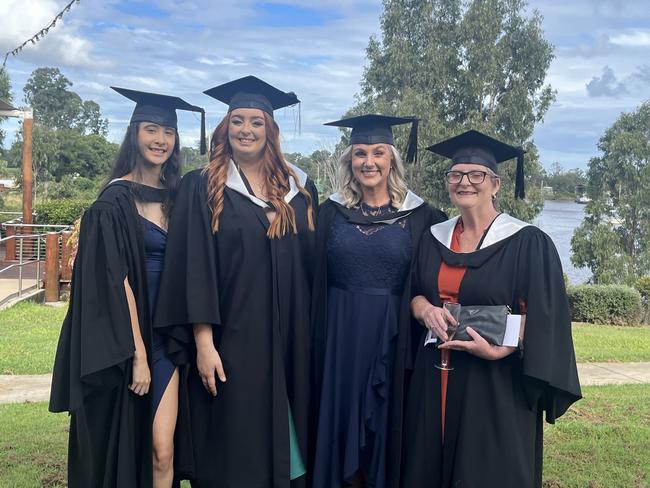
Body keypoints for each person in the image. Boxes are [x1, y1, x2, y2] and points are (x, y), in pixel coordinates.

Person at [154, 75, 318, 488]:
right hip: (233, 338)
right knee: (236, 439)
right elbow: (194, 267)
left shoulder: (299, 187)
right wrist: (204, 343)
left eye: (256, 122)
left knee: (291, 433)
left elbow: (312, 265)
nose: (247, 130)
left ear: (270, 130)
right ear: (225, 127)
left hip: (289, 338)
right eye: (238, 120)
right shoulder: (202, 185)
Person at [401, 130, 582, 488]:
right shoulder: (432, 237)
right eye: (456, 175)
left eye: (476, 175)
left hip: (493, 383)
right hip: (432, 378)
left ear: (495, 184)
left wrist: (505, 346)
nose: (464, 182)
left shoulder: (526, 242)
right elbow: (414, 294)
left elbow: (548, 318)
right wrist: (425, 311)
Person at [49, 87, 206, 487]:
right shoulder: (113, 202)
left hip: (168, 337)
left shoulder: (179, 196)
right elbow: (115, 280)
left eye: (168, 132)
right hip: (126, 340)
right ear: (134, 134)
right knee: (123, 440)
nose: (160, 140)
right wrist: (137, 352)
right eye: (151, 130)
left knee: (162, 449)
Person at [311, 115, 447, 488]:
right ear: (350, 161)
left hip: (393, 337)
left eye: (378, 152)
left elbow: (436, 280)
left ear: (392, 160)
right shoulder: (329, 213)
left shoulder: (422, 218)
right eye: (360, 153)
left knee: (385, 432)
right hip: (340, 340)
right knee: (341, 428)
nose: (368, 161)